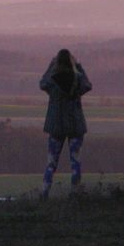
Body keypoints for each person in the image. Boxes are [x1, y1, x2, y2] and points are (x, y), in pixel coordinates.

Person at [40, 48, 92, 199]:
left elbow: (42, 83)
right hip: (75, 125)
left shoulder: (53, 81)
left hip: (56, 126)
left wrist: (51, 66)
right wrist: (79, 66)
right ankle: (75, 192)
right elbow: (87, 85)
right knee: (75, 161)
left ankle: (44, 192)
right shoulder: (77, 80)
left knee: (51, 162)